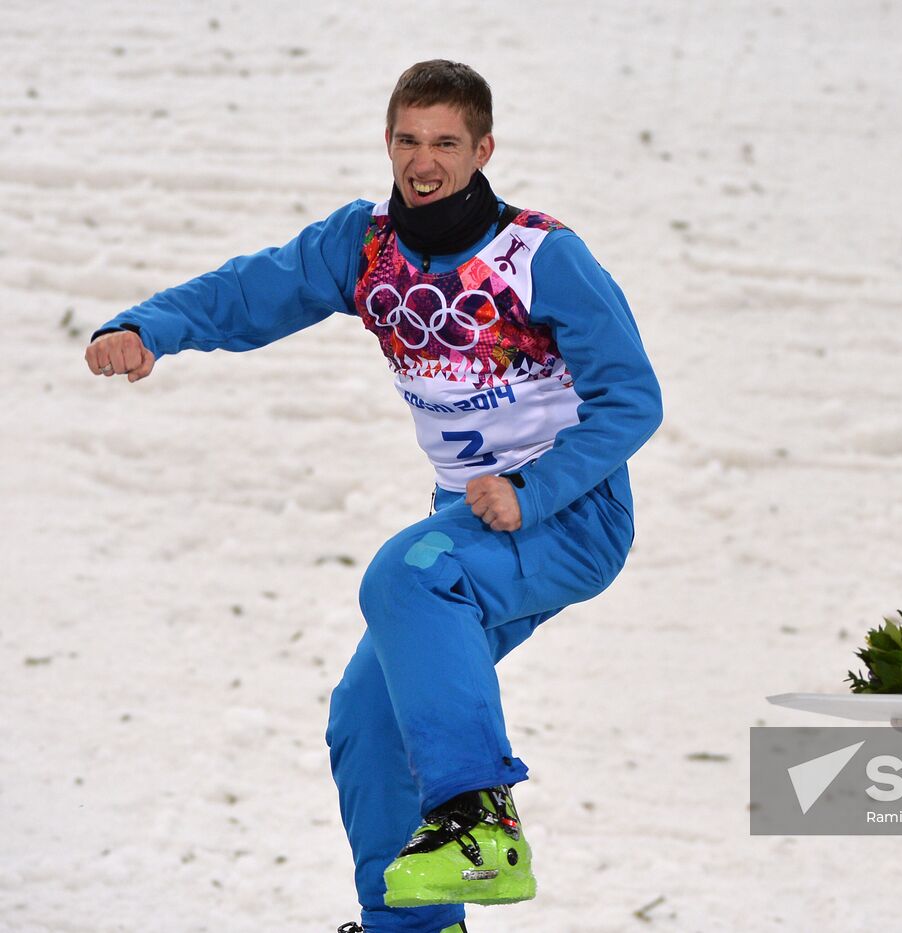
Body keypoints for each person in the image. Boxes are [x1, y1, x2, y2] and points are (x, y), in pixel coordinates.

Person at [84, 60, 663, 933]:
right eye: (406, 140)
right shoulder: (365, 248)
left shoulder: (542, 255)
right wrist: (147, 327)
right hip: (467, 527)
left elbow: (634, 398)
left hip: (569, 519)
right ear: (387, 142)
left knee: (404, 575)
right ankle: (414, 926)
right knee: (367, 713)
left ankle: (482, 824)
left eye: (444, 143)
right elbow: (253, 289)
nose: (422, 162)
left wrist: (532, 491)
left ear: (483, 149)